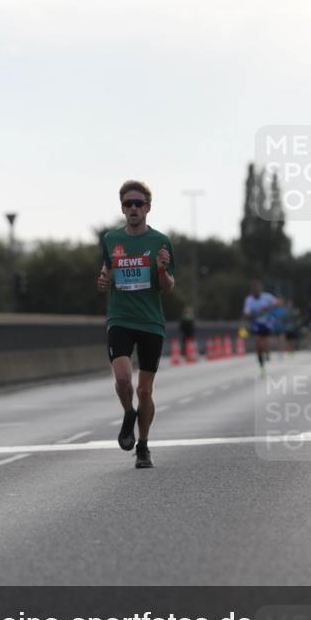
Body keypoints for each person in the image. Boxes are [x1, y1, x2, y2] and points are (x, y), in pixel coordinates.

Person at [97, 180, 176, 469]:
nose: (133, 208)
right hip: (120, 318)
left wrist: (161, 269)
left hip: (151, 322)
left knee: (145, 391)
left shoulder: (160, 242)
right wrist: (103, 280)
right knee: (121, 379)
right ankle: (128, 413)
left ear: (148, 208)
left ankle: (143, 446)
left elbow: (168, 287)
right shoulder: (111, 240)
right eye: (128, 204)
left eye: (138, 204)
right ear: (122, 208)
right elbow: (106, 273)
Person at [242, 280, 279, 374]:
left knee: (264, 340)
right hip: (256, 323)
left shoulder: (267, 297)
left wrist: (268, 308)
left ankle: (267, 352)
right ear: (252, 291)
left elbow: (277, 303)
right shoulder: (249, 300)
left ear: (260, 290)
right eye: (254, 290)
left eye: (257, 290)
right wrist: (251, 315)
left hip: (267, 321)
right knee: (258, 342)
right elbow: (246, 313)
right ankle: (261, 364)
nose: (256, 292)